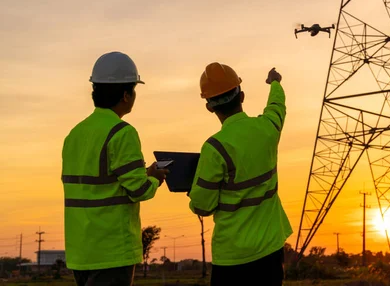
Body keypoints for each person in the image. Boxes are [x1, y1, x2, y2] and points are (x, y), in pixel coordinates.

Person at [62, 51, 168, 286]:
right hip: (111, 251)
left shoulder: (74, 135)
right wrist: (155, 178)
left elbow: (100, 184)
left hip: (81, 252)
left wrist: (143, 174)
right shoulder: (122, 133)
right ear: (125, 95)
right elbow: (139, 190)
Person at [188, 63, 292, 286]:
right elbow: (277, 106)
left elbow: (202, 207)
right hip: (270, 251)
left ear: (209, 107)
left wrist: (193, 189)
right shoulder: (268, 129)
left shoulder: (214, 148)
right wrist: (275, 82)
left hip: (231, 258)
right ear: (241, 96)